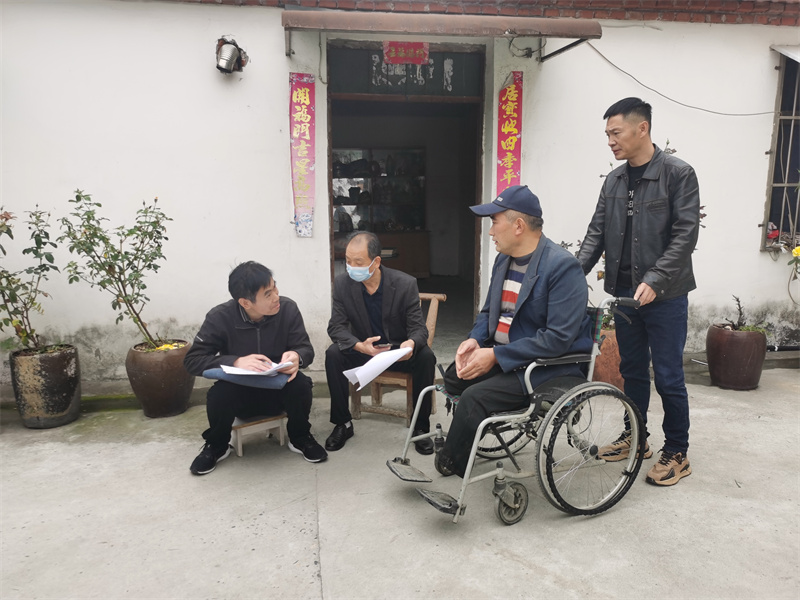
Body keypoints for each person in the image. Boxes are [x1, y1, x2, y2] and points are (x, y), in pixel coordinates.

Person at [577, 97, 700, 487]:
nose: (610, 141)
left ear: (641, 128)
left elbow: (685, 236)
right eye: (608, 134)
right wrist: (569, 276)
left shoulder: (678, 174)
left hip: (666, 295)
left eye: (616, 132)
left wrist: (656, 279)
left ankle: (677, 451)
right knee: (631, 372)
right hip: (626, 294)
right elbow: (595, 234)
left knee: (668, 376)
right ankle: (637, 436)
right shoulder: (614, 181)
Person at [435, 185, 593, 478]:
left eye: (494, 222)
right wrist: (474, 340)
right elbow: (488, 313)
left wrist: (495, 356)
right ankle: (472, 428)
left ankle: (453, 461)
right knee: (456, 377)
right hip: (508, 356)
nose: (490, 232)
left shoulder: (562, 267)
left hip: (545, 367)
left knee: (474, 397)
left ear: (518, 226)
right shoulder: (503, 260)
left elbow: (557, 338)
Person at [184, 261, 327, 475]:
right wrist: (235, 361)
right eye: (268, 294)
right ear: (245, 302)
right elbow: (193, 360)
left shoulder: (288, 309)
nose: (276, 297)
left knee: (300, 385)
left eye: (275, 287)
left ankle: (300, 437)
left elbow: (305, 348)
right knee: (219, 394)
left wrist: (297, 356)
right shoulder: (220, 317)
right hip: (241, 395)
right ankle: (217, 445)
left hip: (278, 390)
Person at [325, 231, 436, 454]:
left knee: (426, 357)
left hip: (396, 352)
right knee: (333, 354)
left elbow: (418, 328)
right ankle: (343, 423)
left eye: (358, 262)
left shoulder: (404, 284)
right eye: (348, 261)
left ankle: (420, 427)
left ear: (376, 262)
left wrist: (410, 344)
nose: (351, 267)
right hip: (364, 351)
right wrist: (359, 346)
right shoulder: (343, 284)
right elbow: (335, 327)